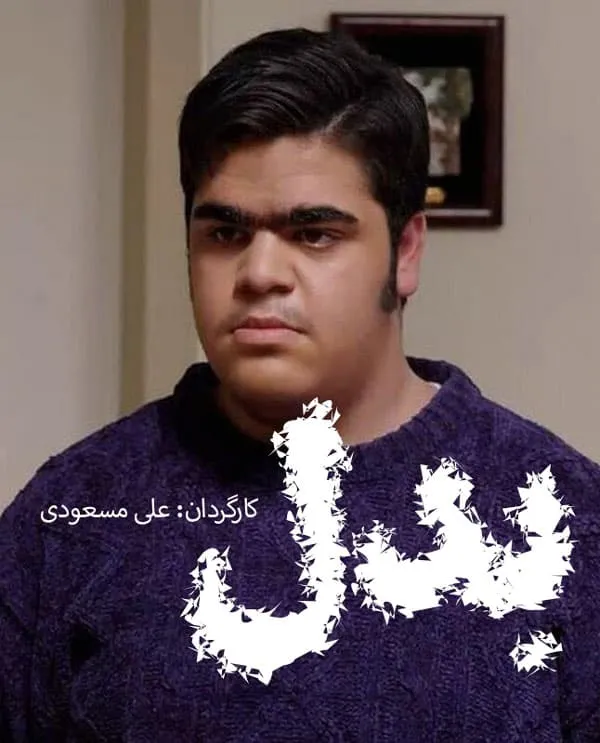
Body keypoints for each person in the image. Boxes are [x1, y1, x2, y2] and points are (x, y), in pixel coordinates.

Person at [1, 27, 599, 743]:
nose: (259, 273)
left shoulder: (562, 518)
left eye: (314, 234)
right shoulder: (73, 514)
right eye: (224, 233)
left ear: (405, 252)